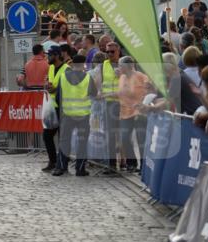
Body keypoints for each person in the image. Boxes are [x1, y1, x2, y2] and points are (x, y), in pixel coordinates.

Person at [53, 54, 97, 177]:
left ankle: (61, 167)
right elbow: (94, 93)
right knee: (82, 143)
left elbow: (58, 97)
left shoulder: (63, 77)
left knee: (64, 141)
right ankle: (80, 169)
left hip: (67, 115)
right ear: (83, 64)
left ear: (72, 64)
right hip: (83, 116)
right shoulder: (88, 78)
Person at [117, 57, 151, 171]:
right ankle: (131, 163)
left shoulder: (141, 76)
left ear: (129, 66)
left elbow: (148, 92)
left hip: (138, 113)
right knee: (124, 138)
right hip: (125, 113)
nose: (119, 68)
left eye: (121, 65)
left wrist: (141, 107)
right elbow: (120, 93)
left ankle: (143, 166)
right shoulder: (121, 77)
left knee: (141, 140)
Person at [101, 41, 122, 173]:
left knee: (124, 134)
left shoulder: (124, 63)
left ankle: (129, 163)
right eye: (107, 52)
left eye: (112, 52)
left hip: (122, 102)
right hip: (109, 103)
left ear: (118, 51)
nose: (109, 54)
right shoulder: (104, 64)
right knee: (110, 134)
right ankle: (112, 164)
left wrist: (123, 75)